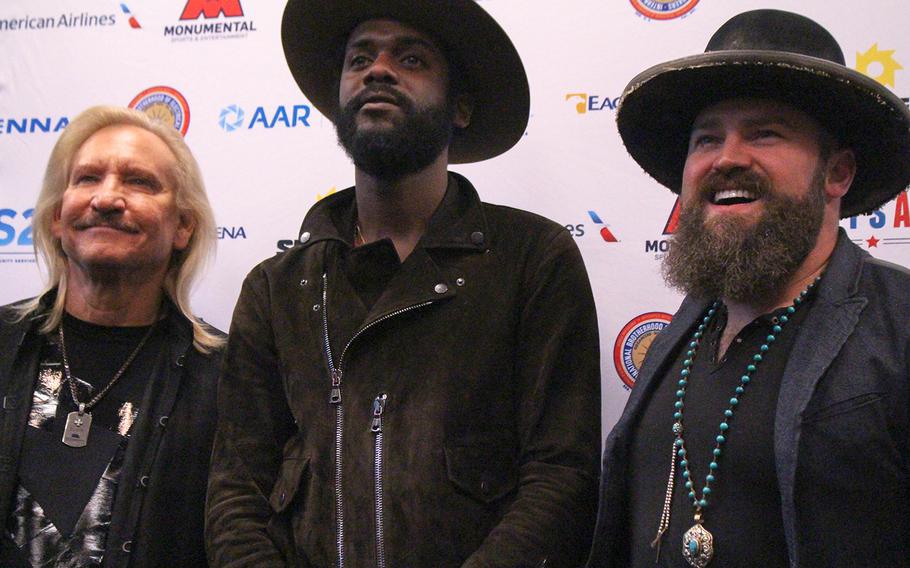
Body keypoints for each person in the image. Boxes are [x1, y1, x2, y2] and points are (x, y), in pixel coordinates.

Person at [205, 1, 601, 566]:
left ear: (460, 107)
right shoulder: (277, 287)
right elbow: (237, 491)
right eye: (359, 58)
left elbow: (562, 477)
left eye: (411, 58)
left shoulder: (533, 259)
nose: (378, 69)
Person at [588, 9, 910, 568]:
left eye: (765, 133)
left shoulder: (900, 325)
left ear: (837, 173)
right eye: (706, 139)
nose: (728, 158)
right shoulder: (684, 332)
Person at [0, 105, 224, 567]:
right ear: (58, 217)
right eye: (86, 179)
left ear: (184, 225)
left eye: (139, 182)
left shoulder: (228, 375)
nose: (106, 198)